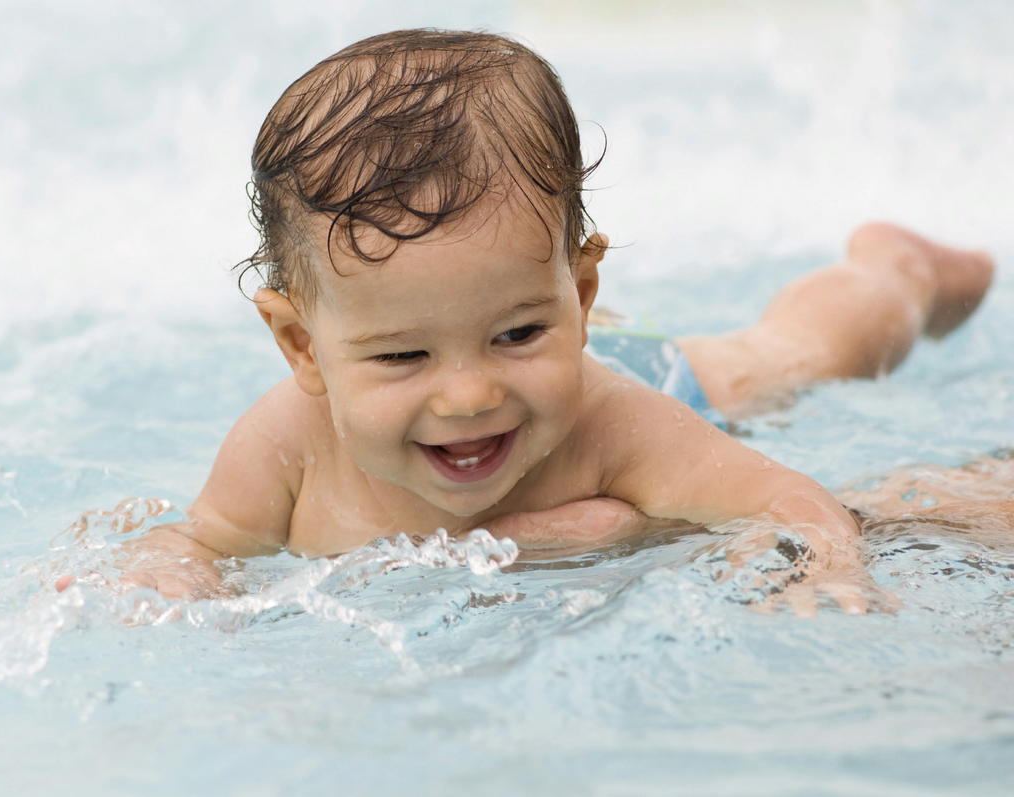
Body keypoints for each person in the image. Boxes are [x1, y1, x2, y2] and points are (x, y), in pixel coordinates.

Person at [56, 29, 994, 612]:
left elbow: (788, 497)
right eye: (403, 354)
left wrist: (826, 563)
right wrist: (164, 575)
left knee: (788, 359)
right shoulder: (285, 448)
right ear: (303, 345)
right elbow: (199, 541)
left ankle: (895, 272)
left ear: (578, 298)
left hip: (649, 372)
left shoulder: (612, 417)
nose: (470, 393)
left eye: (516, 333)